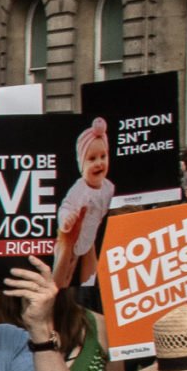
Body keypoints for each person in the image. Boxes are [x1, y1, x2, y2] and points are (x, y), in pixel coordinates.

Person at [51, 119, 116, 289]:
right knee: (66, 270)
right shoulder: (79, 188)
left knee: (89, 269)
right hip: (73, 234)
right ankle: (60, 289)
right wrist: (67, 221)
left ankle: (89, 286)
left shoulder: (109, 187)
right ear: (81, 164)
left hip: (90, 233)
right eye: (92, 159)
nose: (99, 163)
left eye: (103, 156)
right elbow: (66, 206)